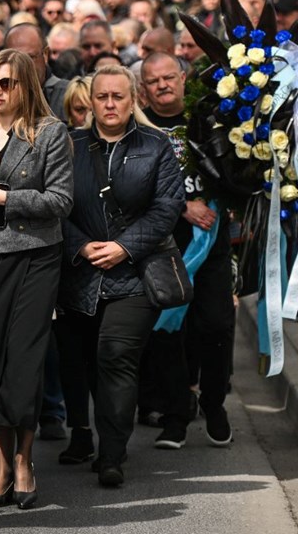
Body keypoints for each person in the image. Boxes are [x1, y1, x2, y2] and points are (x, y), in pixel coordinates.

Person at [56, 65, 185, 487]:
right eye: (101, 97)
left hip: (137, 273)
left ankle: (112, 453)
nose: (109, 105)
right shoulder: (68, 144)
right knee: (88, 361)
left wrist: (124, 247)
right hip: (81, 274)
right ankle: (94, 435)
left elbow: (167, 207)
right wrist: (79, 245)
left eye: (118, 97)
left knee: (115, 355)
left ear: (133, 101)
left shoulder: (157, 145)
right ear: (90, 102)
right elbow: (54, 204)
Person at [0, 49, 73, 510]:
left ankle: (23, 464)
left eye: (7, 83)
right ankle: (2, 465)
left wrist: (5, 197)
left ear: (27, 86)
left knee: (22, 367)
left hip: (34, 259)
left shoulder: (50, 132)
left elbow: (61, 200)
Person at [138, 53, 235, 450]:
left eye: (168, 78)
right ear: (143, 88)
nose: (162, 85)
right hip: (164, 243)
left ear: (183, 78)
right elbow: (132, 185)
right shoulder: (140, 128)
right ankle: (176, 413)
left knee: (215, 325)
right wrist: (181, 206)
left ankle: (214, 404)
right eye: (153, 81)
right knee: (166, 332)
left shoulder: (212, 116)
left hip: (211, 243)